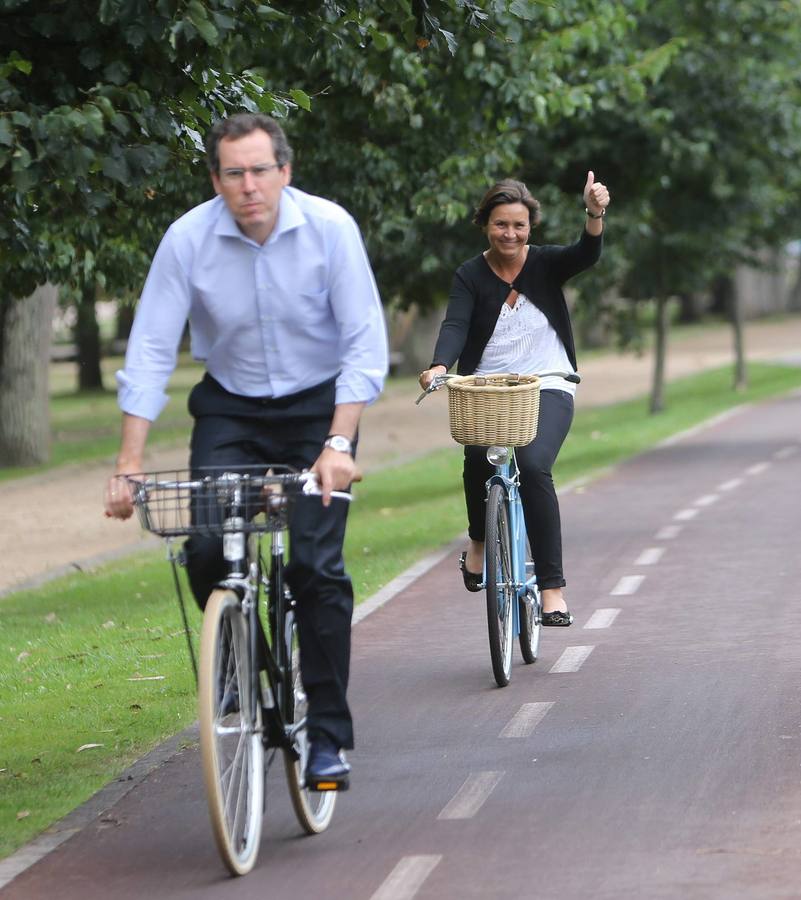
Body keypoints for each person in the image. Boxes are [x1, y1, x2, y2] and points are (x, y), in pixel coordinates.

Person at [104, 112, 388, 787]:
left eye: (260, 170)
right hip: (230, 408)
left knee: (315, 570)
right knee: (204, 547)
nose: (248, 185)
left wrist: (339, 443)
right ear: (216, 179)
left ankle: (326, 735)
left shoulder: (329, 230)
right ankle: (237, 663)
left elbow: (363, 346)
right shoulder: (187, 240)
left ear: (284, 171)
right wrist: (127, 462)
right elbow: (147, 352)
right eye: (233, 173)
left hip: (319, 411)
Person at [419, 173, 610, 625]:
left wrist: (594, 213)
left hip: (549, 383)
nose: (510, 234)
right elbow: (455, 325)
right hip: (488, 387)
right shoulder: (469, 274)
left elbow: (587, 253)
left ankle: (552, 590)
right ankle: (480, 543)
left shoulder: (545, 263)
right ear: (486, 224)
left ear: (531, 227)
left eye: (519, 226)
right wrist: (441, 365)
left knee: (533, 462)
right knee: (476, 459)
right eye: (501, 224)